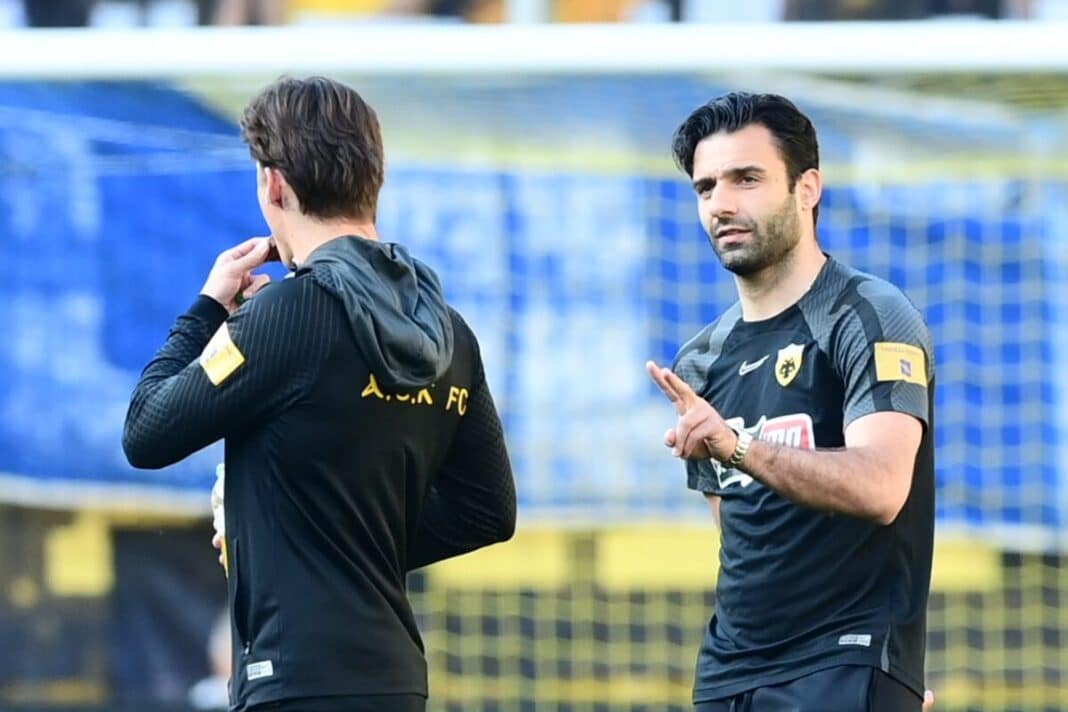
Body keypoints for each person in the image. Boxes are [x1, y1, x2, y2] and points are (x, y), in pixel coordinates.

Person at [123, 76, 516, 712]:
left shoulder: (282, 315)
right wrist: (340, 544)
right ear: (373, 178)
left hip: (295, 680)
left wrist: (206, 310)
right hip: (395, 679)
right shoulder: (448, 330)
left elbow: (146, 431)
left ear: (273, 184)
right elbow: (487, 511)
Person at [645, 92, 935, 711]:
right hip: (728, 673)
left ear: (807, 189)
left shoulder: (868, 315)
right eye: (705, 188)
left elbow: (881, 488)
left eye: (746, 179)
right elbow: (739, 535)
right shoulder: (701, 360)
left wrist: (739, 446)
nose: (721, 203)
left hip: (842, 659)